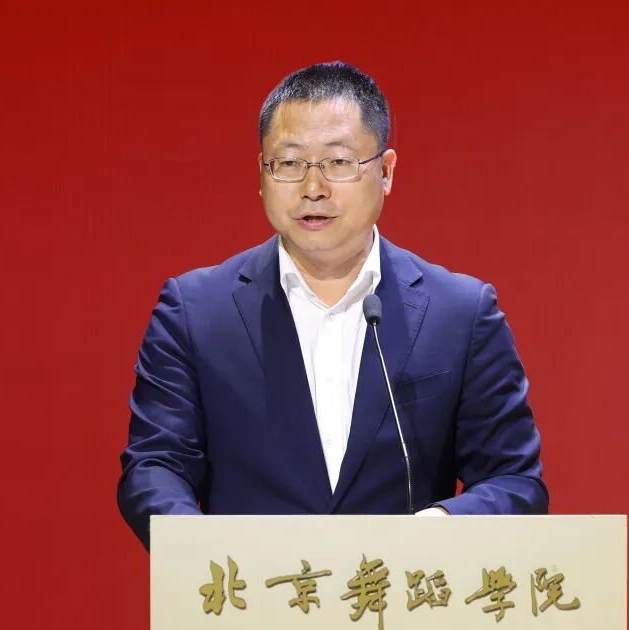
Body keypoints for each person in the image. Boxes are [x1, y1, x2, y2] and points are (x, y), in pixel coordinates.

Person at [118, 61, 547, 550]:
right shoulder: (195, 311)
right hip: (253, 591)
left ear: (385, 172)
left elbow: (515, 481)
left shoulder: (462, 313)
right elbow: (154, 466)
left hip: (396, 589)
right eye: (289, 163)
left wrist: (438, 530)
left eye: (339, 162)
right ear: (262, 173)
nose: (313, 188)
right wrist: (202, 551)